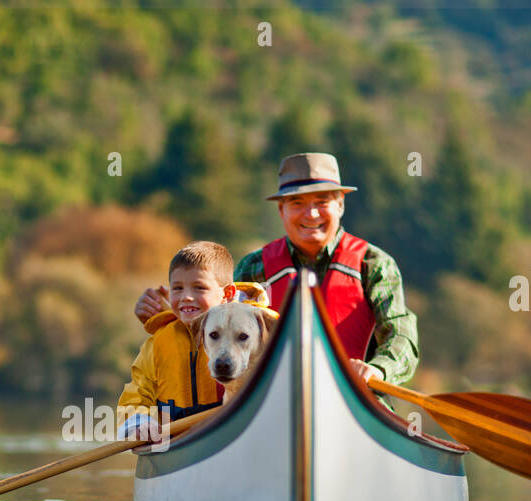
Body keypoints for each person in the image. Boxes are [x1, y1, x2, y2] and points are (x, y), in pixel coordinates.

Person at [135, 152, 419, 388]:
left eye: (322, 202)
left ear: (340, 205)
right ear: (281, 210)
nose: (311, 214)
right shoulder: (253, 267)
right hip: (270, 403)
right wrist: (165, 316)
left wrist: (378, 370)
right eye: (297, 203)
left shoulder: (375, 264)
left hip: (359, 399)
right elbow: (215, 328)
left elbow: (400, 333)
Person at [116, 241, 232, 442]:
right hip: (175, 443)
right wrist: (139, 422)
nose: (187, 297)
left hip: (225, 434)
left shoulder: (246, 335)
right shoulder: (157, 344)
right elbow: (135, 397)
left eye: (199, 288)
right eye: (177, 288)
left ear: (227, 294)